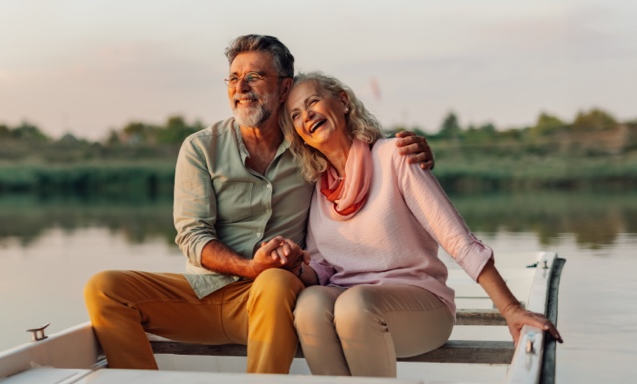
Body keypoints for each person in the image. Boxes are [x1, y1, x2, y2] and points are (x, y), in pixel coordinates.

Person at [83, 35, 433, 374]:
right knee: (105, 288)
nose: (241, 87)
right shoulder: (200, 147)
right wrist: (250, 267)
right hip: (205, 294)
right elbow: (192, 237)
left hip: (277, 296)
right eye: (233, 78)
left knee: (275, 281)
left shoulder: (309, 143)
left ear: (284, 88)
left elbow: (356, 148)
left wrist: (409, 149)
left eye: (254, 77)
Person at [280, 71, 564, 377]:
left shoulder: (396, 156)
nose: (306, 116)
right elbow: (322, 267)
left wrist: (510, 309)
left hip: (419, 304)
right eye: (296, 115)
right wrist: (294, 265)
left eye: (313, 102)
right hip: (349, 299)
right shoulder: (318, 189)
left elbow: (458, 240)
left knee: (354, 306)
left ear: (343, 102)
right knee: (309, 305)